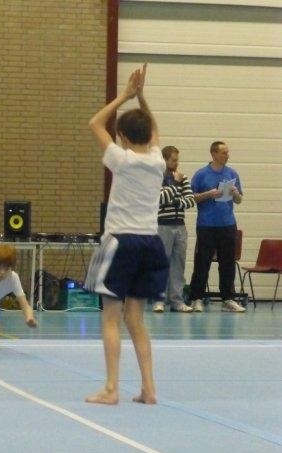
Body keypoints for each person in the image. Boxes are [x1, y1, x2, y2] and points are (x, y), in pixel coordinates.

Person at [84, 63, 168, 405]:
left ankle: (111, 388)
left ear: (123, 137)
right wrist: (141, 98)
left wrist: (124, 96)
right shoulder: (159, 161)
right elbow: (155, 130)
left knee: (111, 317)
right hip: (151, 243)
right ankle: (149, 388)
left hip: (121, 241)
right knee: (136, 319)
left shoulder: (121, 159)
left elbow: (94, 122)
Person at [189, 141, 245, 313]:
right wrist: (208, 194)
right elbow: (191, 198)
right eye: (224, 152)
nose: (227, 155)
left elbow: (239, 200)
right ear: (214, 154)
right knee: (202, 262)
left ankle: (228, 299)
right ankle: (196, 298)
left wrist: (235, 193)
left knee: (227, 263)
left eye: (227, 152)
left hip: (227, 224)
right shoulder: (201, 174)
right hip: (206, 225)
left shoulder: (232, 173)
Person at [153, 146, 195, 313]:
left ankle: (177, 300)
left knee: (178, 265)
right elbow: (160, 199)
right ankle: (159, 300)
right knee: (161, 263)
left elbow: (190, 201)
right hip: (162, 225)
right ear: (164, 160)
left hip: (180, 226)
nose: (177, 163)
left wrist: (176, 200)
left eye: (177, 160)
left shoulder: (183, 178)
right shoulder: (156, 178)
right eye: (173, 160)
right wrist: (175, 186)